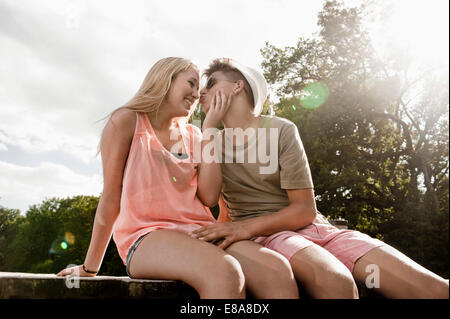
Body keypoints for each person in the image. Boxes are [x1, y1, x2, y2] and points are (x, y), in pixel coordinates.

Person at [192, 57, 450, 299]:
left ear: (238, 86)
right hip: (268, 237)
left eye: (211, 83)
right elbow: (213, 198)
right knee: (335, 281)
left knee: (434, 289)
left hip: (318, 229)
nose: (201, 92)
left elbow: (304, 210)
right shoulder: (209, 140)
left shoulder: (281, 129)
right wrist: (209, 130)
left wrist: (241, 228)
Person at [56, 57, 299, 299]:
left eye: (199, 87)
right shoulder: (127, 121)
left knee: (276, 269)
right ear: (165, 80)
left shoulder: (195, 134)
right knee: (224, 271)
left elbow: (210, 196)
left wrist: (210, 129)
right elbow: (111, 198)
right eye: (191, 83)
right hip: (146, 236)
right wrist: (90, 268)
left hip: (200, 232)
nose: (196, 94)